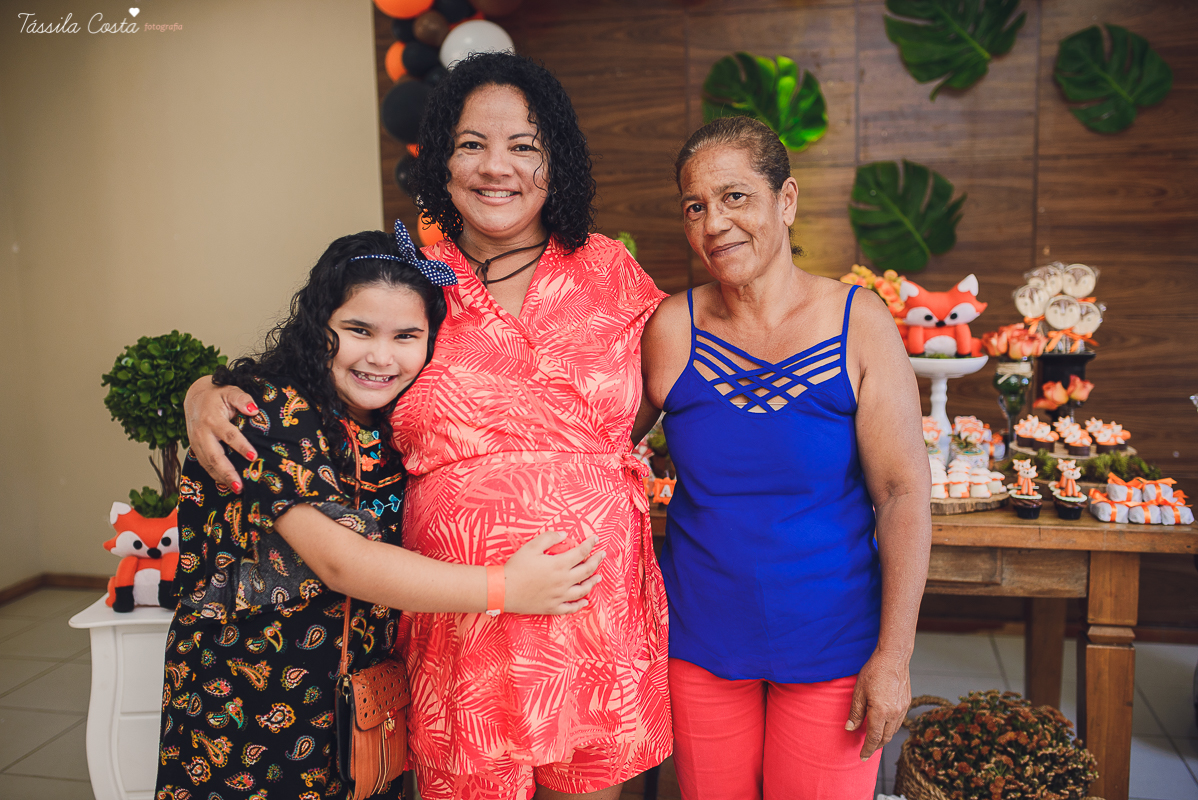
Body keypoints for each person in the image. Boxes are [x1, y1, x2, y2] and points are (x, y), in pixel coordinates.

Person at [182, 53, 671, 800]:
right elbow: (319, 365)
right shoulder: (415, 280)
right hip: (459, 621)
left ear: (556, 162)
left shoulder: (610, 270)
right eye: (471, 143)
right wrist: (204, 388)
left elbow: (704, 357)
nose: (495, 166)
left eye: (523, 145)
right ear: (440, 162)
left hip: (590, 616)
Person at [158, 222, 604, 800]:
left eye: (406, 336)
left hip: (358, 702)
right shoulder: (266, 411)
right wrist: (506, 588)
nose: (380, 356)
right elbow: (343, 563)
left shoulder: (391, 422)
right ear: (318, 326)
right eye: (357, 330)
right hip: (248, 703)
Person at [638, 115, 932, 800]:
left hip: (835, 643)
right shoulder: (672, 328)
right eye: (695, 205)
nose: (714, 222)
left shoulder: (860, 322)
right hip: (700, 641)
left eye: (735, 196)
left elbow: (902, 496)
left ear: (786, 200)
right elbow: (594, 448)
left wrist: (894, 656)